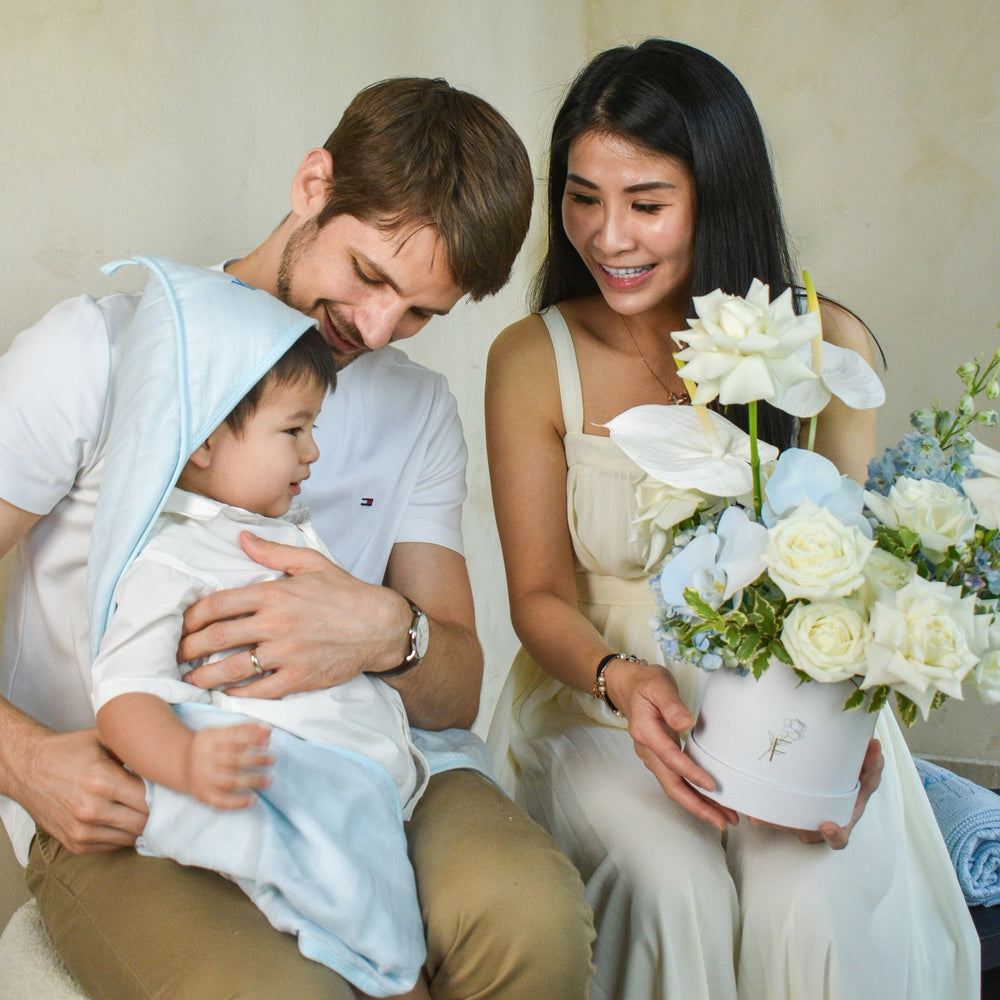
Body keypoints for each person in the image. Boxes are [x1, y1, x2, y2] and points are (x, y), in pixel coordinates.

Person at [0, 78, 594, 1000]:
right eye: (368, 276)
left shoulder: (417, 409)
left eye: (422, 314)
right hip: (139, 788)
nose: (376, 329)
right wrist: (27, 759)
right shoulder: (100, 354)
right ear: (313, 185)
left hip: (367, 760)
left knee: (534, 919)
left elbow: (457, 683)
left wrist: (382, 631)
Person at [485, 39, 979, 1000]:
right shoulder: (531, 358)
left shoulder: (828, 341)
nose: (607, 236)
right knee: (673, 889)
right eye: (583, 197)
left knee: (812, 898)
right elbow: (539, 594)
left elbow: (859, 575)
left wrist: (846, 746)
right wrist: (625, 685)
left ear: (720, 195)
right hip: (599, 703)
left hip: (794, 708)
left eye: (647, 203)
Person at [89, 276, 427, 999]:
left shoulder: (278, 531)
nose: (313, 454)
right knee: (389, 964)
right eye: (293, 430)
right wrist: (185, 760)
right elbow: (123, 697)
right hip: (297, 793)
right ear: (206, 438)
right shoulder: (170, 560)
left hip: (359, 783)